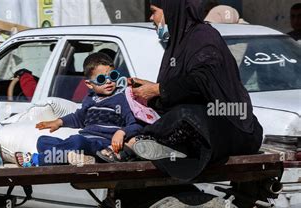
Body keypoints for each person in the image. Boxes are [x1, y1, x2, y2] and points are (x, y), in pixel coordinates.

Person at [111, 0, 263, 181]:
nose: (151, 18)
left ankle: (142, 141)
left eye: (154, 12)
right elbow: (182, 88)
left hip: (232, 127)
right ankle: (148, 143)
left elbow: (202, 81)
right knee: (177, 115)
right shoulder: (180, 42)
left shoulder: (203, 37)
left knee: (185, 116)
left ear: (172, 10)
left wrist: (158, 89)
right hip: (205, 125)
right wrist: (147, 87)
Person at [14, 52, 146, 167]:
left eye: (113, 76)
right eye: (101, 79)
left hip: (102, 145)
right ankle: (72, 158)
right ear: (89, 84)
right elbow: (78, 118)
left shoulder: (121, 99)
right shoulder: (90, 99)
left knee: (76, 141)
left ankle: (37, 159)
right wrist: (59, 122)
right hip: (85, 140)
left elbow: (136, 124)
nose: (109, 82)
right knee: (43, 141)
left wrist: (122, 132)